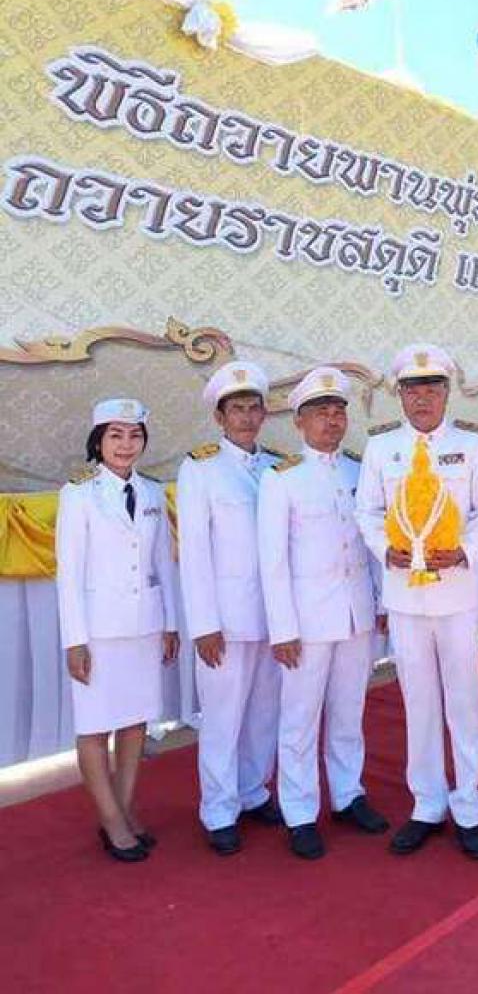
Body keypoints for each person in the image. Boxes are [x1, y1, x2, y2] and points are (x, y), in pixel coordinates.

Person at [355, 343, 478, 860]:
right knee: (418, 702)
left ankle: (469, 805)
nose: (422, 399)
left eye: (432, 389)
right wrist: (385, 549)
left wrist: (465, 550)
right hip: (404, 596)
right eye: (412, 390)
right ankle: (427, 804)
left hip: (457, 593)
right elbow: (367, 511)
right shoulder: (381, 449)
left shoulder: (473, 446)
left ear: (447, 393)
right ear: (400, 396)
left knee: (464, 702)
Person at [258, 367, 388, 860]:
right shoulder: (282, 478)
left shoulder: (358, 471)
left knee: (349, 711)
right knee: (299, 719)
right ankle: (299, 812)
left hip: (355, 615)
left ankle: (348, 794)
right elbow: (273, 562)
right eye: (320, 413)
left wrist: (379, 602)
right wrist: (282, 628)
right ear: (299, 421)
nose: (332, 421)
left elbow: (372, 545)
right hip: (306, 622)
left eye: (338, 412)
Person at [56, 399, 179, 862]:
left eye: (134, 435)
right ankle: (110, 820)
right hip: (98, 632)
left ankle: (124, 811)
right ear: (99, 441)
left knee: (134, 721)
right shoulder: (79, 495)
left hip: (144, 625)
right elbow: (68, 575)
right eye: (115, 435)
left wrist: (170, 623)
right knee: (94, 727)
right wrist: (74, 641)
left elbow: (163, 565)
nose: (126, 445)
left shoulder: (152, 492)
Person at [177, 361, 282, 855]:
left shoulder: (278, 467)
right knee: (222, 718)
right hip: (225, 618)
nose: (246, 417)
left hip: (274, 617)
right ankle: (219, 809)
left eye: (253, 408)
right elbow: (194, 553)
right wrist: (203, 624)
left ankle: (253, 789)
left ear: (264, 414)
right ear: (220, 418)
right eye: (236, 409)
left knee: (264, 710)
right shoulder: (200, 469)